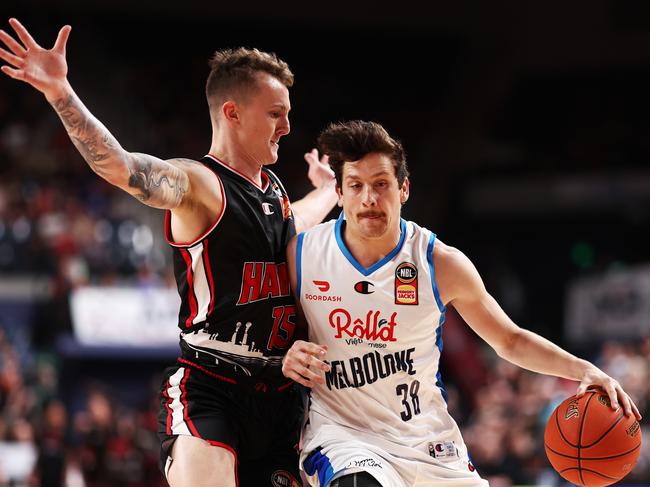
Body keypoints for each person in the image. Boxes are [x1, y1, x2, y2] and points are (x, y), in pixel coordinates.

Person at [0, 18, 338, 487]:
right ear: (233, 112)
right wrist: (60, 92)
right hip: (213, 385)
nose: (288, 127)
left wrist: (328, 192)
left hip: (281, 393)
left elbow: (297, 219)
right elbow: (122, 167)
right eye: (276, 113)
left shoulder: (274, 192)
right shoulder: (199, 183)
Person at [281, 120, 642, 487]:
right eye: (356, 186)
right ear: (340, 193)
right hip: (344, 436)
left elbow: (509, 340)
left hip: (427, 441)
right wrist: (285, 355)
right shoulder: (304, 254)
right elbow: (266, 333)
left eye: (381, 184)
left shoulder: (440, 262)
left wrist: (585, 370)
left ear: (403, 188)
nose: (369, 198)